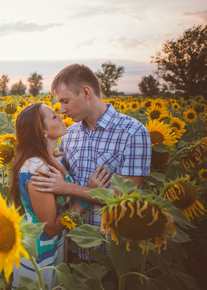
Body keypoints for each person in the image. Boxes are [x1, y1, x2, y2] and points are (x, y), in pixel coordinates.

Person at [31, 63, 152, 260]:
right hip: (71, 247)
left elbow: (125, 197)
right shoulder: (69, 136)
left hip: (112, 249)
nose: (61, 110)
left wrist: (67, 188)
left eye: (65, 101)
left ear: (86, 92)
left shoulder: (133, 133)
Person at [9, 102, 111, 289]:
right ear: (43, 132)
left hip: (54, 245)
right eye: (54, 116)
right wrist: (88, 194)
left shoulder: (53, 158)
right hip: (39, 248)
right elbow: (51, 227)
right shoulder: (36, 168)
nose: (62, 116)